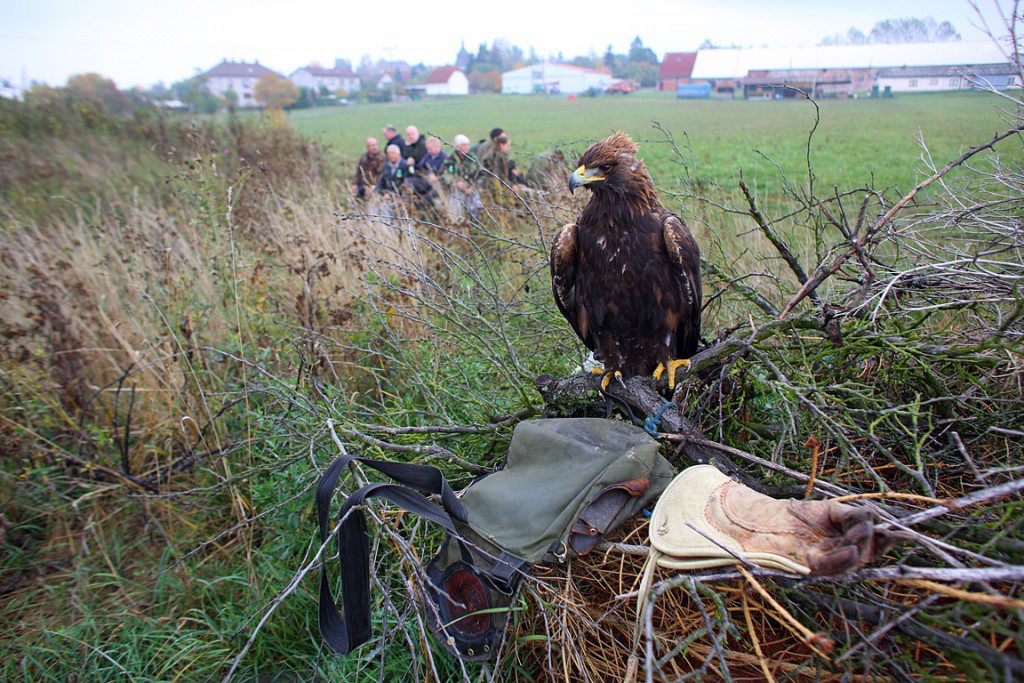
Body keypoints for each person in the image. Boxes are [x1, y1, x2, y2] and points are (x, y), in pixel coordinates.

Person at [444, 133, 483, 221]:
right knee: (454, 207)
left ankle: (475, 226)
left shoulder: (473, 159)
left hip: (472, 189)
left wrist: (472, 187)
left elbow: (481, 177)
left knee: (477, 206)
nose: (466, 147)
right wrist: (456, 183)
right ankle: (457, 226)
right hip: (456, 189)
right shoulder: (450, 160)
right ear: (457, 147)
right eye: (463, 145)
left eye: (467, 145)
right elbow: (444, 176)